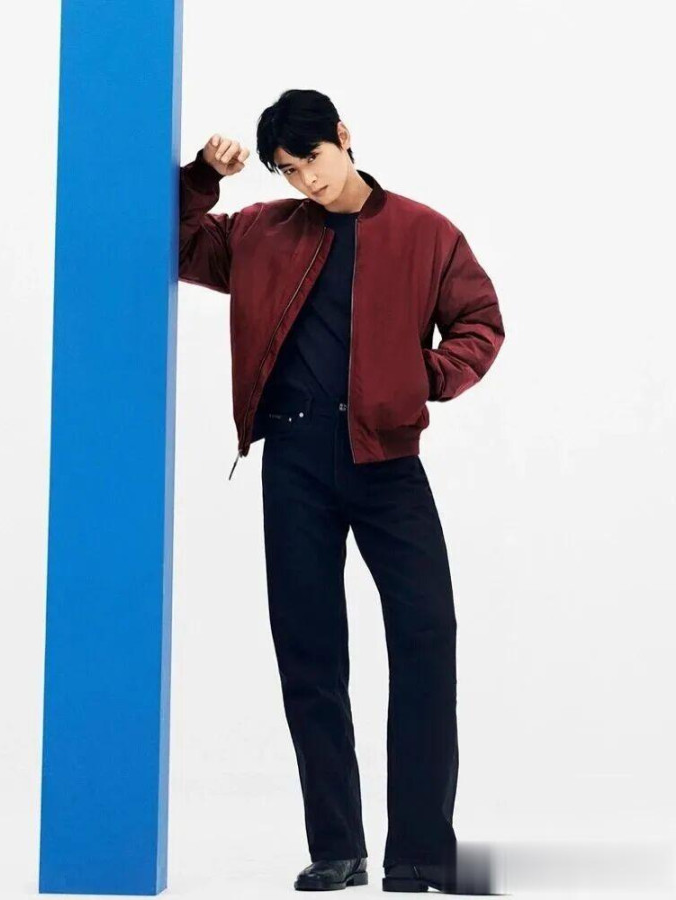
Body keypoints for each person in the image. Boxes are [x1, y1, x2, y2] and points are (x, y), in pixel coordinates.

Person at [179, 88, 505, 893]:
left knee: (426, 639)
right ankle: (337, 847)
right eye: (289, 171)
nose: (308, 181)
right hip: (294, 461)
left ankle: (420, 853)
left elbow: (480, 322)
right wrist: (202, 177)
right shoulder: (260, 231)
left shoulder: (425, 231)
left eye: (313, 160)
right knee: (310, 652)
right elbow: (178, 244)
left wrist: (424, 378)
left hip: (386, 459)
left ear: (344, 137)